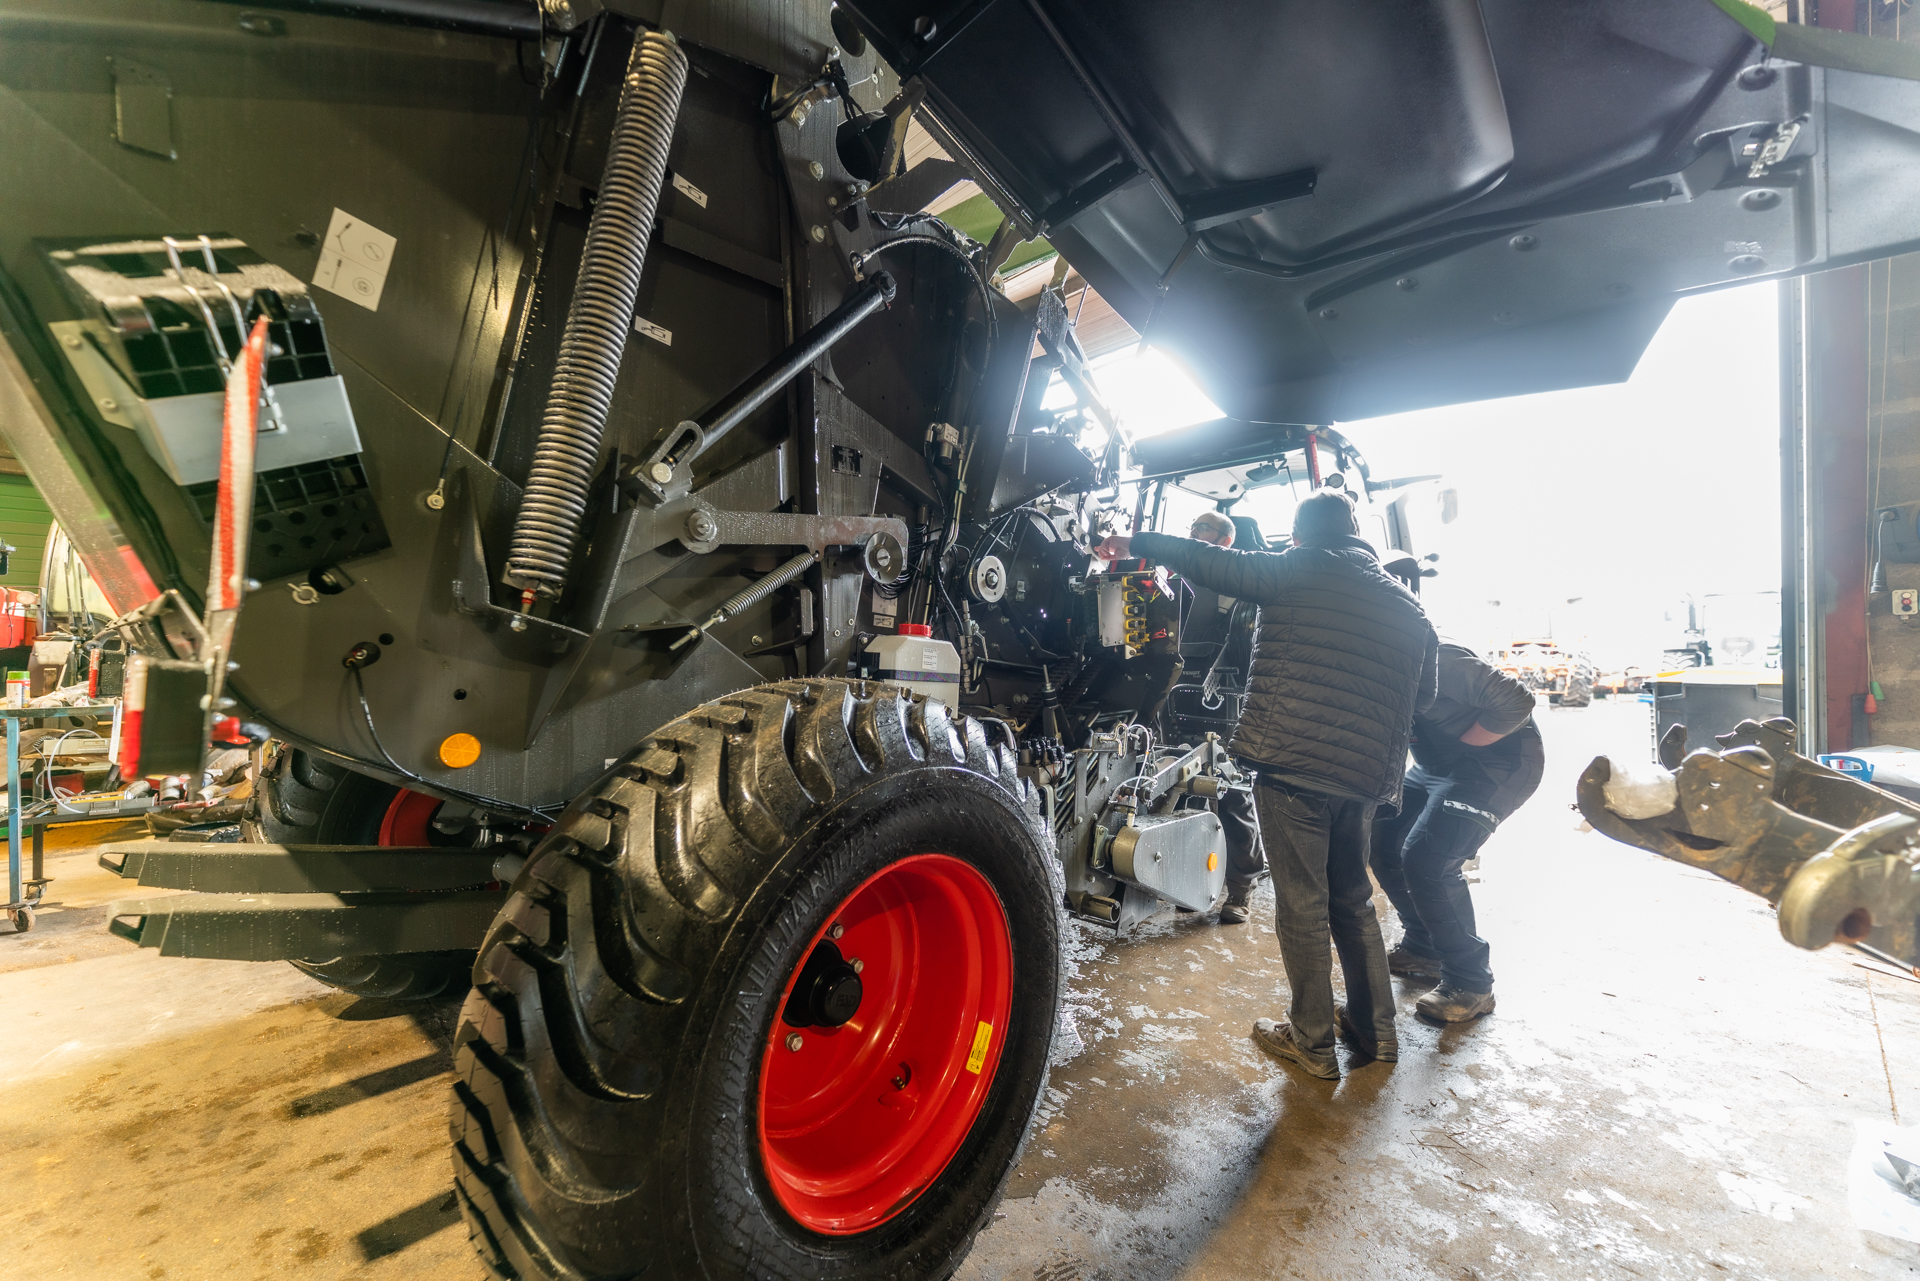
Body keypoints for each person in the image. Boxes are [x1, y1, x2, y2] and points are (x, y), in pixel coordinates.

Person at [1097, 491, 1439, 1079]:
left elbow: (1206, 561)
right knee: (1352, 899)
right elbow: (1425, 699)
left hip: (1293, 765)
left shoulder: (1295, 568)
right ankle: (1377, 1031)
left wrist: (1137, 544)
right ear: (1356, 532)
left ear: (1301, 535)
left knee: (1302, 902)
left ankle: (1311, 1041)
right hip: (1362, 777)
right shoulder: (1408, 607)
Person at [1369, 641, 1543, 1023]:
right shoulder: (1367, 664)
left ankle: (1471, 983)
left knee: (1429, 859)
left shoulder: (1438, 659)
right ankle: (1424, 945)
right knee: (1380, 838)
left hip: (1497, 763)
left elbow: (1517, 702)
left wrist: (1462, 746)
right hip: (1439, 768)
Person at [1179, 509, 1265, 925]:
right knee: (1185, 790)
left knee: (1230, 791)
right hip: (1179, 698)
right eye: (1192, 529)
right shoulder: (1182, 583)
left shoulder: (1245, 583)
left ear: (1226, 540)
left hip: (1227, 702)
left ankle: (1242, 888)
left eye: (1202, 529)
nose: (1192, 534)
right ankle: (1190, 881)